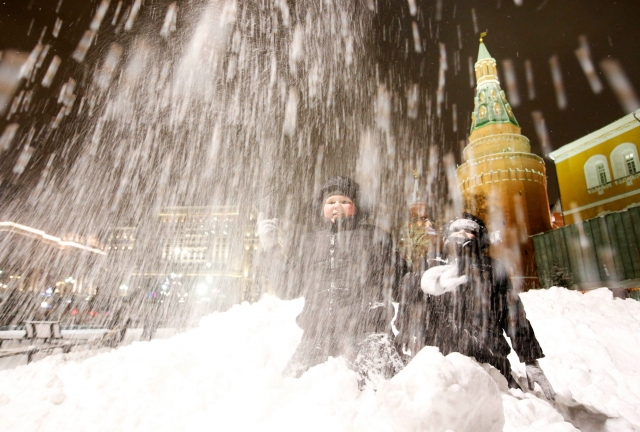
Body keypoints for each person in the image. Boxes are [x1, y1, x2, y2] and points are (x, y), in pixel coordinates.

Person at [257, 176, 405, 384]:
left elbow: (400, 280)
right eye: (330, 202)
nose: (337, 206)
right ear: (321, 208)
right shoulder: (308, 242)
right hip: (317, 335)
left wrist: (423, 280)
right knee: (290, 389)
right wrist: (271, 248)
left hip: (368, 335)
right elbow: (287, 287)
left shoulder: (374, 237)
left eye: (345, 201)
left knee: (377, 394)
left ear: (356, 207)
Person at [398, 212, 556, 400]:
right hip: (442, 362)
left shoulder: (493, 268)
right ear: (447, 235)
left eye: (469, 231)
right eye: (456, 230)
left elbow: (514, 315)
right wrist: (424, 281)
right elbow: (407, 297)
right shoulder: (432, 263)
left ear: (479, 238)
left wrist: (531, 360)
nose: (462, 234)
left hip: (490, 360)